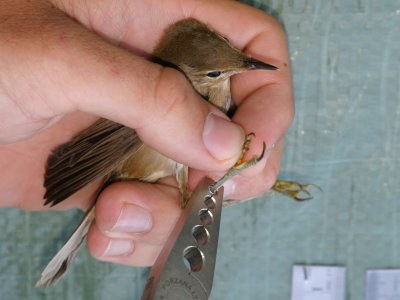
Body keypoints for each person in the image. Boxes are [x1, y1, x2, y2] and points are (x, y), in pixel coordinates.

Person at [0, 0, 293, 267]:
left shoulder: (198, 91)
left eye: (226, 43)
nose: (230, 71)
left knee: (196, 188)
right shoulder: (175, 97)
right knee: (192, 190)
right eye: (214, 74)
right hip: (129, 162)